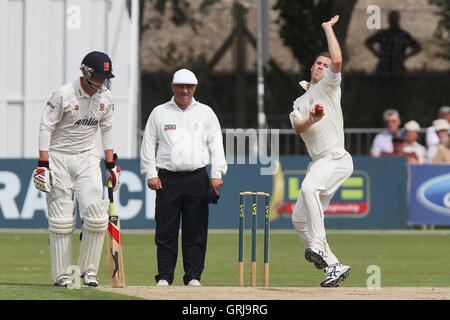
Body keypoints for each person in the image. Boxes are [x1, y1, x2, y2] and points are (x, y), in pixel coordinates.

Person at [32, 51, 120, 287]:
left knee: (97, 217)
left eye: (105, 77)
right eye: (98, 76)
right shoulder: (63, 94)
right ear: (85, 72)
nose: (102, 82)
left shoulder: (106, 97)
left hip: (87, 157)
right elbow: (46, 127)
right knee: (61, 219)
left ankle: (88, 272)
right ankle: (62, 275)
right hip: (59, 156)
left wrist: (111, 164)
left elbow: (107, 129)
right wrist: (43, 164)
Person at [140, 68, 227, 287]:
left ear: (195, 88)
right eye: (180, 86)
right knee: (166, 230)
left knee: (195, 230)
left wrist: (216, 174)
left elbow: (216, 145)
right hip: (167, 179)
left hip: (197, 177)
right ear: (173, 87)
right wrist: (150, 173)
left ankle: (193, 276)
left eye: (188, 87)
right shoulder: (159, 112)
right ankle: (164, 276)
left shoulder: (205, 112)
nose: (184, 91)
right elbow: (148, 146)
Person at [289, 15, 352, 287]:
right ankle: (333, 265)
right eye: (318, 63)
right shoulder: (300, 100)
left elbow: (337, 61)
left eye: (324, 65)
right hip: (318, 163)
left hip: (336, 158)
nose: (321, 67)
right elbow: (298, 127)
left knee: (307, 189)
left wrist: (327, 28)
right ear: (311, 66)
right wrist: (312, 119)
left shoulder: (329, 86)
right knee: (299, 218)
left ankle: (316, 244)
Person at [365, 10, 421, 78]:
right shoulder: (382, 34)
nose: (392, 21)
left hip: (397, 70)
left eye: (394, 19)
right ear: (388, 20)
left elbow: (417, 47)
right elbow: (368, 42)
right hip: (383, 70)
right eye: (391, 19)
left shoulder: (403, 35)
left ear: (398, 19)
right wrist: (376, 53)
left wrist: (406, 56)